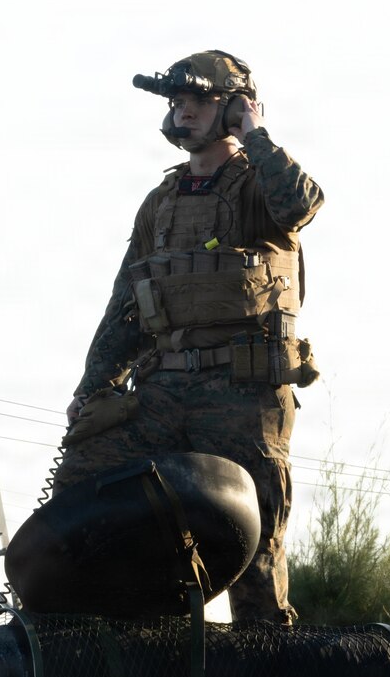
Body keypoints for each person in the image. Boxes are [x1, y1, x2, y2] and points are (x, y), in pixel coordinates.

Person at [52, 50, 324, 624]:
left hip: (243, 395)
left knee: (255, 544)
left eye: (200, 99)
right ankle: (112, 637)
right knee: (86, 478)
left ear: (235, 106)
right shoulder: (161, 203)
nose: (185, 110)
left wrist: (255, 134)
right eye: (178, 101)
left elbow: (301, 203)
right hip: (163, 392)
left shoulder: (261, 186)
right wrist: (93, 387)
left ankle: (263, 661)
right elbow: (127, 304)